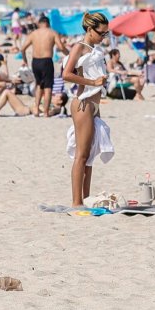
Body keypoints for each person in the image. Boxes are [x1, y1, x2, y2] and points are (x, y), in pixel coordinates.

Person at [61, 12, 113, 207]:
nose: (103, 37)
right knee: (81, 155)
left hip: (94, 105)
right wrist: (92, 81)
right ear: (90, 30)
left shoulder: (94, 50)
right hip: (83, 103)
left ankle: (86, 199)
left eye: (106, 34)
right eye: (101, 33)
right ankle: (76, 203)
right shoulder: (79, 47)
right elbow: (66, 74)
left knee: (90, 156)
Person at [19, 15, 68, 117]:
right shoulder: (52, 32)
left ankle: (36, 110)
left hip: (35, 61)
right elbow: (61, 47)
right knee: (48, 87)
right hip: (46, 61)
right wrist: (69, 55)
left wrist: (25, 60)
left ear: (39, 23)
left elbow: (22, 48)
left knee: (39, 85)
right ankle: (46, 112)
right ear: (48, 23)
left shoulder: (33, 33)